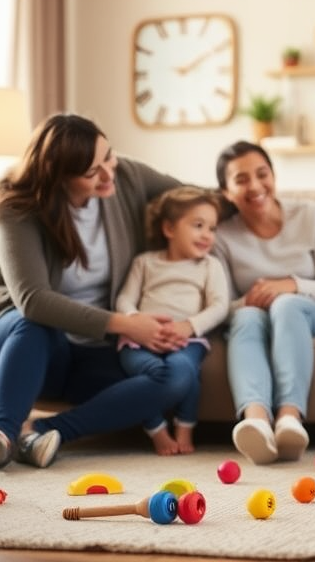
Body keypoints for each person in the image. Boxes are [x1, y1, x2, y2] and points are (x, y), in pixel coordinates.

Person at [0, 113, 183, 469]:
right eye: (91, 172)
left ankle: (42, 432)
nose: (108, 173)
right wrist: (127, 324)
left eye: (108, 157)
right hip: (29, 343)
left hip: (93, 352)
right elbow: (33, 300)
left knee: (175, 377)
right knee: (33, 323)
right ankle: (2, 434)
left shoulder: (126, 176)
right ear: (59, 177)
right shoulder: (16, 206)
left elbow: (195, 197)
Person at [213, 141, 315, 464]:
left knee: (286, 304)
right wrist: (249, 300)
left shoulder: (312, 215)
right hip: (257, 318)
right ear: (226, 192)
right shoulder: (221, 235)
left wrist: (289, 286)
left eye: (262, 174)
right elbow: (223, 305)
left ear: (274, 176)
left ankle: (289, 419)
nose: (256, 186)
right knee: (245, 316)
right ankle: (256, 421)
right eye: (241, 179)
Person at [115, 186, 229, 456]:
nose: (207, 235)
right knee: (145, 372)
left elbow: (220, 305)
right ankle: (156, 430)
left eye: (212, 228)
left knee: (184, 370)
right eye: (198, 225)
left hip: (186, 339)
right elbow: (124, 300)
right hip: (140, 339)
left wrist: (188, 326)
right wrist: (136, 321)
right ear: (169, 228)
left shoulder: (209, 266)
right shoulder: (144, 263)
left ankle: (185, 428)